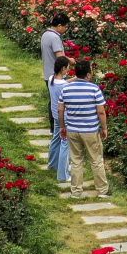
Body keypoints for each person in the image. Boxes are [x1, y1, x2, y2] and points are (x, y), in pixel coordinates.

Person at [60, 57, 110, 198]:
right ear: (88, 74)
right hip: (90, 131)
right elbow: (101, 111)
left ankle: (76, 192)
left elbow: (60, 109)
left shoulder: (66, 89)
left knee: (76, 161)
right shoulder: (94, 89)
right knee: (96, 160)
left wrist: (63, 127)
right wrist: (104, 128)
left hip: (72, 130)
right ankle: (102, 190)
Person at [46, 54, 74, 184]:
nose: (68, 70)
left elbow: (64, 82)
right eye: (67, 68)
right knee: (65, 144)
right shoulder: (63, 86)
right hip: (65, 118)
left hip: (55, 115)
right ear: (63, 69)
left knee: (56, 139)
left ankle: (52, 165)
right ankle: (63, 175)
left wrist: (74, 79)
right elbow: (65, 86)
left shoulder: (51, 79)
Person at [41, 12, 68, 89]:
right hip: (56, 76)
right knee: (59, 96)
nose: (66, 29)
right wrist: (70, 60)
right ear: (59, 26)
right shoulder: (54, 37)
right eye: (65, 27)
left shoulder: (45, 34)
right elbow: (60, 58)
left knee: (52, 96)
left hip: (48, 75)